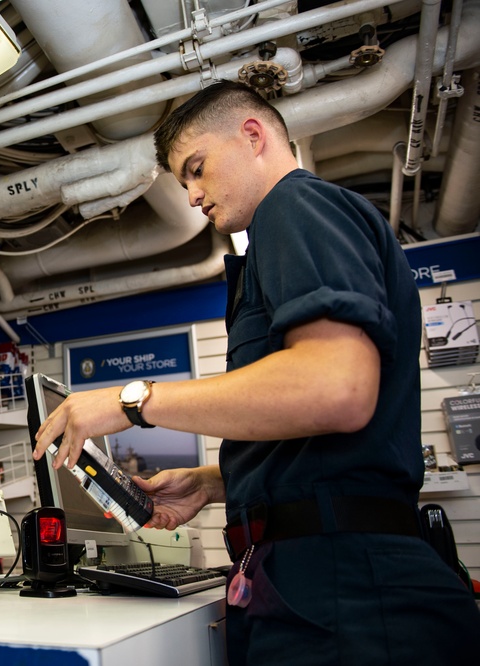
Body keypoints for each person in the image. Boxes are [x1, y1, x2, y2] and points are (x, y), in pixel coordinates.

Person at [33, 81, 479, 665]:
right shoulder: (285, 236)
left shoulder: (295, 206)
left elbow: (335, 388)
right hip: (322, 579)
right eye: (182, 182)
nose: (192, 195)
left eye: (196, 168)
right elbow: (321, 431)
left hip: (345, 590)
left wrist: (129, 400)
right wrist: (217, 481)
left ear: (252, 135)